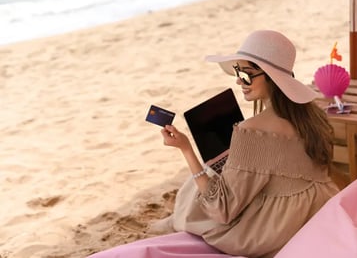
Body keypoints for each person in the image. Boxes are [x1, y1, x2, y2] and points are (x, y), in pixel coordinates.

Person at [87, 30, 339, 258]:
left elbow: (223, 209)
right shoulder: (312, 117)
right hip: (311, 212)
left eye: (246, 75)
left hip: (270, 233)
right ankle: (175, 219)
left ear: (271, 78)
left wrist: (186, 149)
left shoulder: (251, 131)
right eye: (237, 73)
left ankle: (177, 221)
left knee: (200, 181)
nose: (239, 81)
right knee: (219, 171)